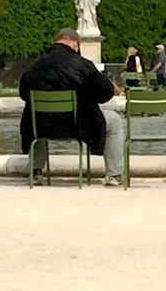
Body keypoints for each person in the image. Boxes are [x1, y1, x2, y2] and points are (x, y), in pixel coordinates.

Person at [17, 28, 125, 187]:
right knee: (114, 121)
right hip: (78, 125)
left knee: (36, 114)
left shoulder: (35, 66)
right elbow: (105, 94)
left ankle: (36, 172)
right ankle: (114, 174)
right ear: (75, 44)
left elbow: (23, 94)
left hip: (41, 126)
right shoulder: (82, 65)